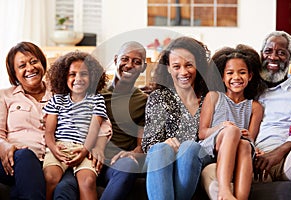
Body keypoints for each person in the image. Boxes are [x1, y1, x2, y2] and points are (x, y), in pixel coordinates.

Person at [141, 36, 211, 200]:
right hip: (161, 159)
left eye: (189, 65)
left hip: (197, 158)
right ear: (168, 68)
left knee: (190, 147)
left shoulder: (211, 97)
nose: (183, 72)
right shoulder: (159, 97)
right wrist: (164, 143)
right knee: (160, 149)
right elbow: (148, 143)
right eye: (176, 66)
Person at [198, 44, 265, 200]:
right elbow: (202, 133)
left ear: (250, 76)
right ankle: (224, 190)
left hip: (241, 149)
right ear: (222, 77)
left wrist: (249, 138)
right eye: (230, 73)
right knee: (232, 131)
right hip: (215, 145)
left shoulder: (255, 107)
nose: (236, 77)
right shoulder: (213, 97)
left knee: (244, 144)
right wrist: (223, 126)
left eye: (242, 72)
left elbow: (251, 139)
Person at [42, 51, 111, 200]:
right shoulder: (57, 100)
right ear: (63, 77)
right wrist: (54, 149)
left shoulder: (96, 100)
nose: (78, 78)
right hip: (59, 147)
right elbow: (48, 132)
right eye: (72, 74)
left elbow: (94, 130)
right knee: (50, 177)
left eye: (83, 74)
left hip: (84, 147)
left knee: (88, 181)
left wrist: (85, 151)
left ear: (92, 77)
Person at [93, 41, 148, 199]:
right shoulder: (96, 92)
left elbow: (141, 146)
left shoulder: (143, 100)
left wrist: (132, 153)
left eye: (136, 62)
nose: (129, 65)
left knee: (129, 165)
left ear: (143, 68)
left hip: (117, 163)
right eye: (125, 59)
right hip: (89, 159)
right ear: (116, 60)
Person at [0, 41, 50, 199]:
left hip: (50, 161)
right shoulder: (4, 96)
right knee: (26, 156)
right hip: (14, 160)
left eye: (34, 61)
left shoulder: (60, 93)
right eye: (22, 66)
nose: (30, 68)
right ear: (14, 73)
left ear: (42, 63)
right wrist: (5, 145)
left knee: (23, 187)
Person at [254, 30, 291, 198]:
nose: (273, 57)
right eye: (268, 51)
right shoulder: (248, 89)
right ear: (261, 54)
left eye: (281, 53)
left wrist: (280, 151)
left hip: (287, 158)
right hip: (253, 160)